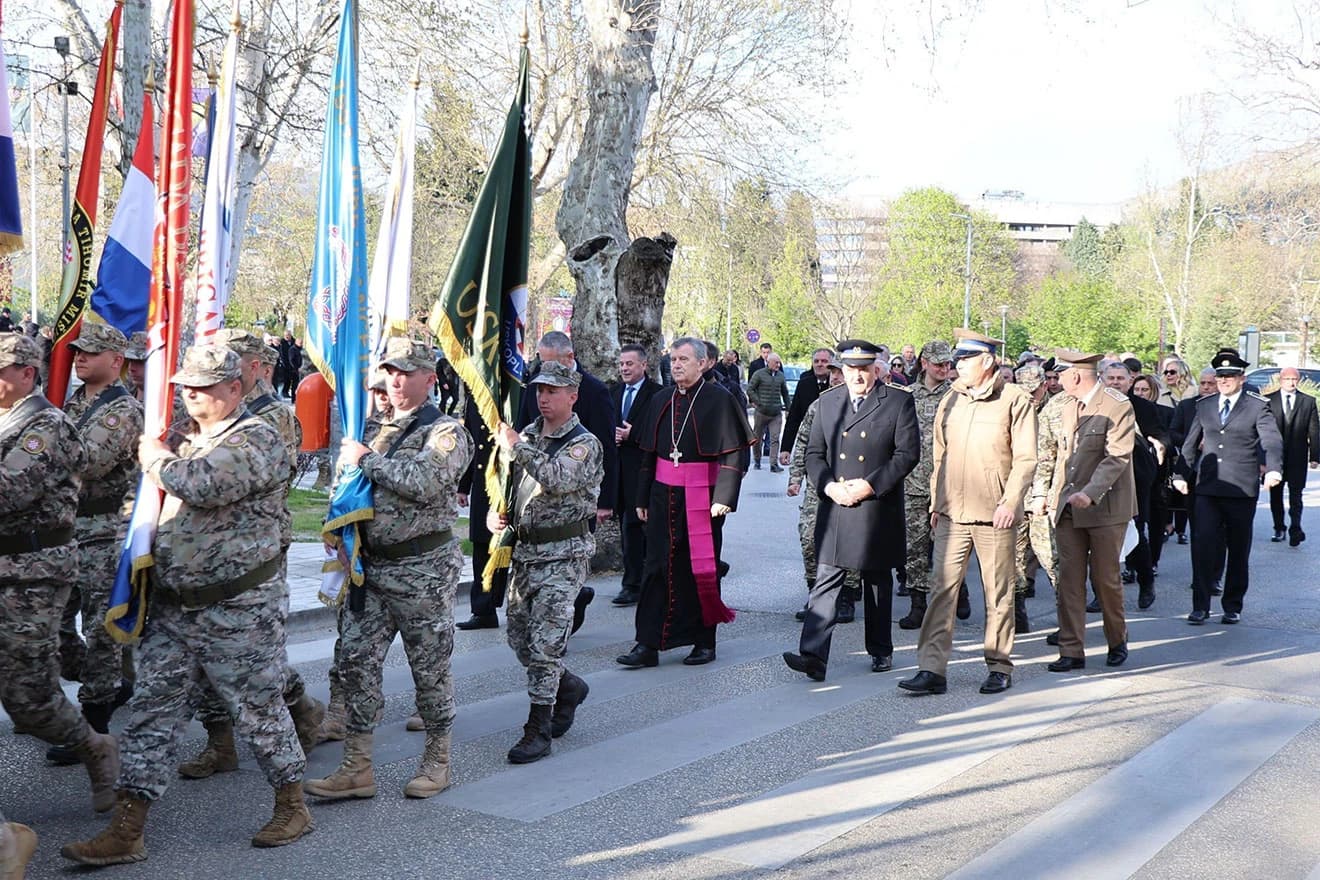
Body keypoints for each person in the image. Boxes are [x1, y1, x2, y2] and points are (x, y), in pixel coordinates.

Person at [62, 345, 310, 865]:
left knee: (259, 710)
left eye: (204, 386)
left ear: (235, 388)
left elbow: (203, 484)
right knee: (153, 711)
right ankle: (127, 828)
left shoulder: (256, 437)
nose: (191, 395)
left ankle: (292, 801)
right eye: (186, 386)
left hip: (238, 603)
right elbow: (145, 505)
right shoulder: (181, 437)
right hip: (174, 607)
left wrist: (153, 459)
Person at [305, 339, 473, 802]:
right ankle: (357, 767)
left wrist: (367, 459)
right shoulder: (376, 429)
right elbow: (351, 488)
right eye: (390, 372)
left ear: (430, 378)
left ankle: (437, 760)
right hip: (371, 571)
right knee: (356, 663)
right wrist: (337, 529)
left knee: (429, 668)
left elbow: (423, 482)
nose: (396, 380)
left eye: (406, 372)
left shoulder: (446, 433)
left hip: (422, 570)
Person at [175, 329, 326, 780]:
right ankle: (220, 742)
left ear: (257, 367)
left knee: (258, 657)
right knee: (202, 653)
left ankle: (301, 709)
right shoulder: (207, 415)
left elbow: (243, 480)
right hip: (202, 551)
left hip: (255, 549)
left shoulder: (272, 419)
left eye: (232, 358)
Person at [0, 334, 119, 818]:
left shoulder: (46, 427)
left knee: (28, 699)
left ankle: (94, 746)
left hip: (29, 576)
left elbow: (7, 490)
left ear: (27, 374)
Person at [898, 330, 1036, 696]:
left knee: (998, 593)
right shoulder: (951, 400)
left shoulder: (1014, 399)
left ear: (987, 362)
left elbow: (1025, 458)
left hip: (995, 513)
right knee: (941, 590)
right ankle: (932, 669)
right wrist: (934, 501)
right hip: (951, 513)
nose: (956, 365)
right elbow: (940, 456)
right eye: (955, 360)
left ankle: (998, 664)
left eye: (965, 360)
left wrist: (1010, 501)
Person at [783, 339, 920, 681]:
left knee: (876, 581)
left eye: (864, 369)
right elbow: (814, 453)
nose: (857, 376)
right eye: (851, 369)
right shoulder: (828, 403)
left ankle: (880, 649)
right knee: (826, 578)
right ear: (841, 370)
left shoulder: (898, 401)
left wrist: (870, 485)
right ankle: (813, 655)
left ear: (876, 369)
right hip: (836, 504)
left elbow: (906, 454)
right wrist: (828, 485)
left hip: (875, 505)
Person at [488, 362, 603, 763]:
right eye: (539, 390)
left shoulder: (583, 444)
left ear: (572, 395)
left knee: (544, 646)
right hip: (526, 553)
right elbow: (513, 486)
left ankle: (538, 728)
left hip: (564, 555)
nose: (543, 397)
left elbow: (556, 478)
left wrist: (516, 447)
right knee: (520, 639)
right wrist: (500, 514)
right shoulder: (530, 434)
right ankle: (567, 687)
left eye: (553, 390)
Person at [617, 336, 753, 668]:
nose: (676, 365)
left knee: (701, 567)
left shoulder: (720, 400)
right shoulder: (662, 398)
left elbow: (736, 452)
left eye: (684, 360)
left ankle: (704, 641)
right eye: (673, 360)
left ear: (704, 364)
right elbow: (648, 452)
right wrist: (642, 497)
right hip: (663, 495)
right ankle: (647, 644)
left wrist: (724, 496)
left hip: (703, 497)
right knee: (656, 567)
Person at [45, 324, 144, 767]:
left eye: (91, 352)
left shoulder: (122, 411)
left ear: (116, 360)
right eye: (78, 352)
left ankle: (94, 720)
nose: (80, 358)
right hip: (67, 530)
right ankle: (105, 684)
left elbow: (86, 461)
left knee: (101, 629)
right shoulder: (74, 404)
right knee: (57, 626)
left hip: (105, 531)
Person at [1035, 349, 1136, 672]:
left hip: (1105, 508)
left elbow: (1117, 457)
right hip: (1067, 507)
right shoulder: (1065, 406)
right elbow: (1061, 456)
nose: (1056, 380)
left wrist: (1090, 493)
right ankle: (1071, 649)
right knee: (1069, 580)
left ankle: (1116, 639)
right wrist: (1049, 496)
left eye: (1061, 374)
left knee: (1105, 580)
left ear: (1075, 376)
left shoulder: (1117, 405)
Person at [514, 331, 617, 631]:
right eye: (540, 362)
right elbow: (524, 430)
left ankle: (571, 604)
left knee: (548, 636)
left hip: (574, 498)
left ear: (569, 358)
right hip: (535, 505)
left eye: (550, 363)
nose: (544, 394)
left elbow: (606, 448)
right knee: (524, 634)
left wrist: (606, 500)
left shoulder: (594, 390)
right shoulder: (534, 388)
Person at [1178, 348, 1283, 625]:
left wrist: (1273, 468)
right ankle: (1200, 605)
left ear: (1242, 377)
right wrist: (1180, 473)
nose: (1224, 380)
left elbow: (1271, 440)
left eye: (1230, 375)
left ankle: (1232, 605)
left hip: (1240, 488)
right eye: (1220, 375)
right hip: (1208, 487)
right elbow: (1191, 443)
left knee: (1238, 548)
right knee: (1202, 545)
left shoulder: (1256, 405)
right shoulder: (1205, 405)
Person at [786, 354, 860, 623]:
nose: (835, 377)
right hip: (818, 484)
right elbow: (802, 443)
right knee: (809, 539)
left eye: (840, 372)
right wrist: (795, 478)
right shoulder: (819, 406)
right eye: (833, 373)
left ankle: (847, 596)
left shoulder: (861, 406)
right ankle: (814, 593)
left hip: (850, 486)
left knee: (847, 541)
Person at [897, 340, 953, 631]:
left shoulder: (958, 396)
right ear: (924, 364)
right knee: (914, 548)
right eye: (939, 364)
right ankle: (918, 603)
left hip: (949, 483)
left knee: (950, 547)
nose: (945, 368)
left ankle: (957, 596)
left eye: (948, 364)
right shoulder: (906, 396)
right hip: (913, 482)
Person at [611, 344, 662, 607]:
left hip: (643, 471)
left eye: (629, 364)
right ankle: (633, 579)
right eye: (621, 364)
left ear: (644, 365)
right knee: (627, 528)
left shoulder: (657, 394)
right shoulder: (615, 392)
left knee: (638, 528)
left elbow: (660, 434)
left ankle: (636, 583)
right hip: (619, 471)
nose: (624, 368)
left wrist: (634, 436)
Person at [1266, 366, 1320, 546]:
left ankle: (1295, 527)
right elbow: (1263, 430)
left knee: (1296, 495)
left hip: (1298, 456)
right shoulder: (1268, 400)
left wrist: (1315, 456)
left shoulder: (1308, 401)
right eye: (1287, 379)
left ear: (1298, 380)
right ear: (1280, 380)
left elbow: (1314, 430)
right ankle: (1279, 527)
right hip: (1276, 457)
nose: (1291, 382)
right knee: (1276, 494)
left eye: (1294, 379)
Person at [781, 348, 835, 464]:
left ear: (832, 364)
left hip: (834, 447)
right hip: (811, 445)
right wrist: (786, 448)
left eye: (824, 361)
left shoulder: (839, 385)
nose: (819, 364)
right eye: (816, 361)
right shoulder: (804, 384)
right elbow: (794, 418)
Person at [746, 352, 789, 471]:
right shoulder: (759, 374)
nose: (778, 365)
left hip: (776, 413)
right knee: (757, 438)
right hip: (761, 412)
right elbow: (750, 389)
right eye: (776, 362)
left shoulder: (780, 375)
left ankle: (773, 464)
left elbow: (785, 392)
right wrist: (758, 402)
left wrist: (788, 408)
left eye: (779, 362)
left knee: (775, 439)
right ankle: (757, 460)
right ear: (768, 362)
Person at [123, 331, 148, 400]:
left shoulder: (167, 400)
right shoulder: (125, 392)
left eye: (140, 362)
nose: (131, 368)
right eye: (130, 360)